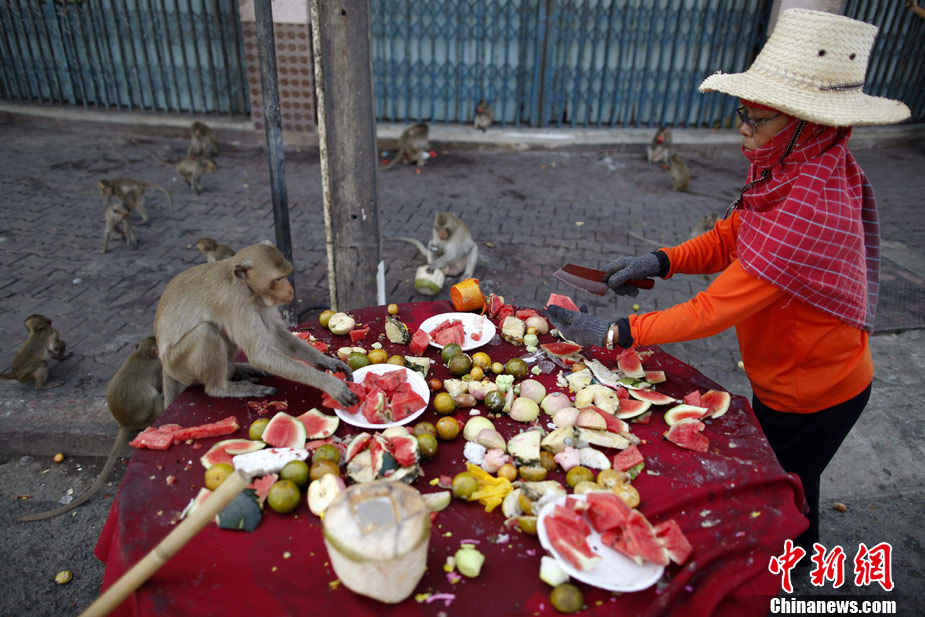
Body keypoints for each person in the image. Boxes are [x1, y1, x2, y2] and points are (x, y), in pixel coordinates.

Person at [546, 8, 910, 559]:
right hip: (792, 379)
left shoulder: (811, 204)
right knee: (790, 489)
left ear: (806, 123)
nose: (742, 127)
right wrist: (660, 260)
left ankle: (790, 579)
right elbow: (730, 237)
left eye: (756, 118)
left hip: (812, 395)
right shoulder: (790, 166)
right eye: (742, 112)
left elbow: (714, 308)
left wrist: (617, 333)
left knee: (785, 499)